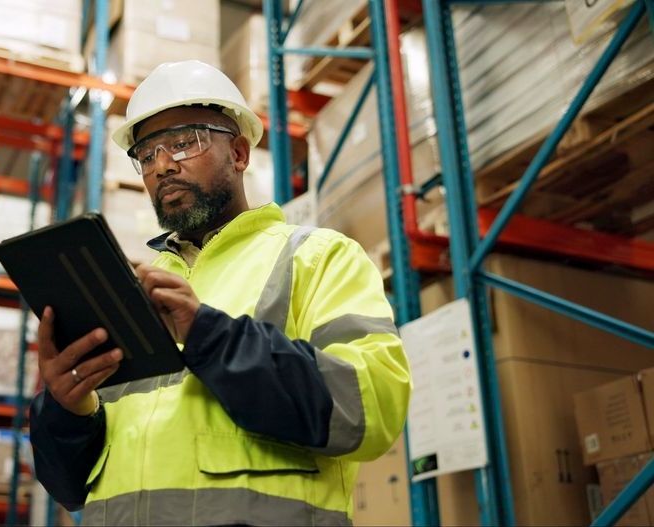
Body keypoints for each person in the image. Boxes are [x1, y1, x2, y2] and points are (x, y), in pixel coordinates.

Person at [29, 60, 411, 526]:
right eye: (147, 155)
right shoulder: (129, 293)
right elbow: (71, 489)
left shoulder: (315, 257)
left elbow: (371, 409)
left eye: (184, 142)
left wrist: (208, 333)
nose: (163, 165)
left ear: (239, 153)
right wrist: (67, 410)